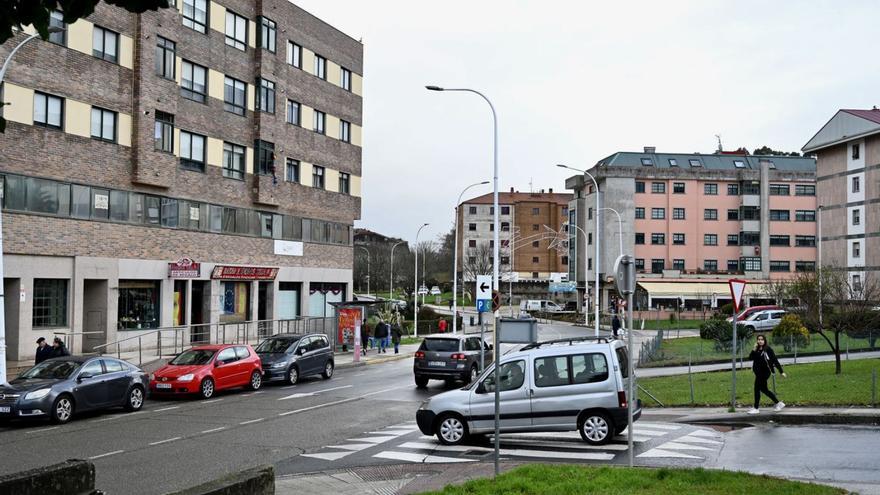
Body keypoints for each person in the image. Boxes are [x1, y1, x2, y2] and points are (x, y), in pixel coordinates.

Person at [748, 334, 786, 414]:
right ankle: (778, 403)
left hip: (765, 372)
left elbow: (775, 360)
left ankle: (756, 408)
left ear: (764, 341)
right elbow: (750, 358)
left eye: (762, 339)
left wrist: (781, 371)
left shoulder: (768, 349)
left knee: (756, 389)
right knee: (764, 389)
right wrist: (754, 349)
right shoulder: (757, 349)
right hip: (758, 373)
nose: (760, 341)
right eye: (758, 339)